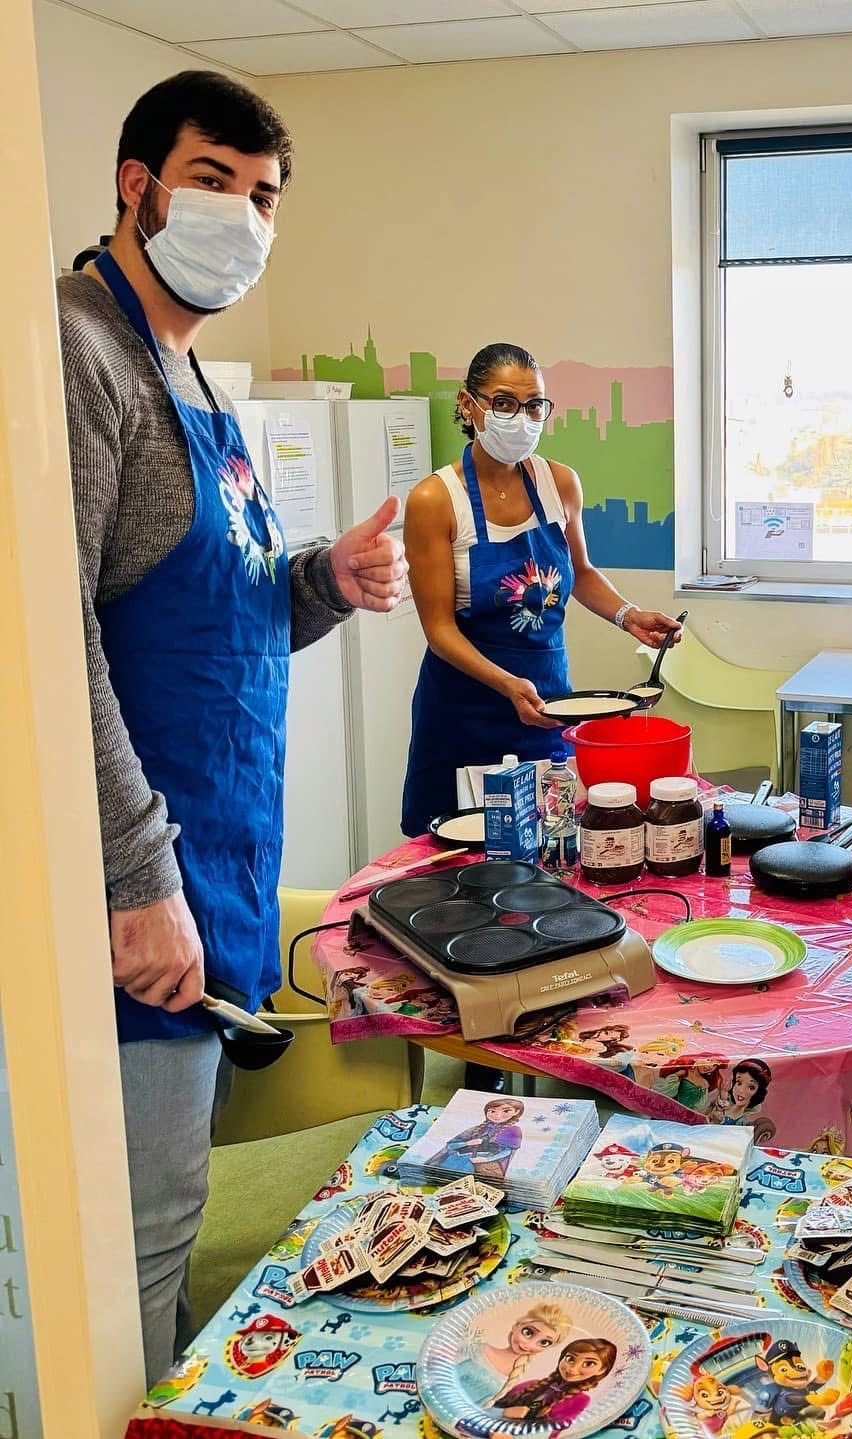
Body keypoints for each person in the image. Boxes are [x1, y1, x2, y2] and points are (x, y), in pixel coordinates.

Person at [57, 71, 408, 1383]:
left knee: (176, 1211)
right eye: (213, 181)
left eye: (265, 196)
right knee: (139, 1236)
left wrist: (323, 580)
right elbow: (49, 640)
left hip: (222, 857)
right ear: (136, 184)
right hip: (140, 886)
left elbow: (221, 611)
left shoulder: (195, 375)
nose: (244, 217)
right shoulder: (79, 350)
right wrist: (136, 879)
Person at [400, 344, 682, 834]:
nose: (521, 418)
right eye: (504, 403)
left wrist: (628, 615)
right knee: (459, 853)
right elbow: (439, 629)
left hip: (547, 703)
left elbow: (581, 572)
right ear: (468, 404)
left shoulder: (560, 484)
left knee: (550, 839)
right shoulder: (435, 500)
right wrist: (506, 684)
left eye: (534, 405)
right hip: (465, 710)